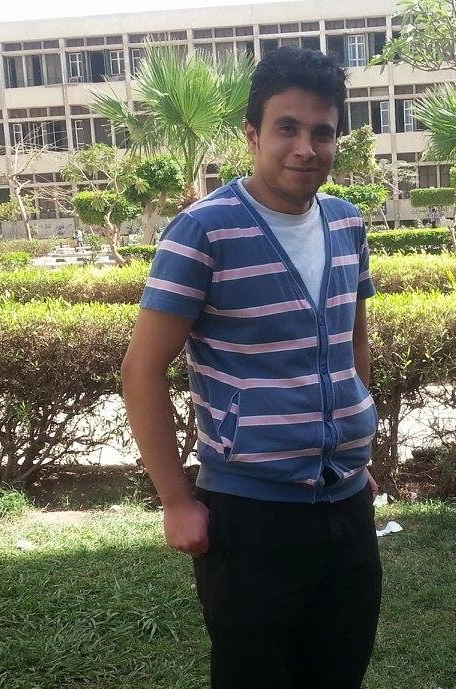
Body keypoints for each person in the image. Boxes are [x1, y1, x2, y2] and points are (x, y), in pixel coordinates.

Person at [120, 47, 381, 689]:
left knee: (339, 672)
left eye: (322, 132)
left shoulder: (346, 223)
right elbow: (141, 370)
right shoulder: (204, 231)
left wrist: (355, 452)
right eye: (287, 128)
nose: (306, 148)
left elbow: (353, 341)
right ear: (253, 134)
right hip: (251, 511)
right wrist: (176, 501)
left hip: (346, 501)